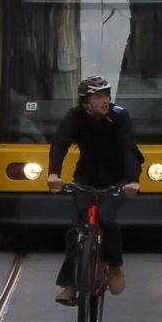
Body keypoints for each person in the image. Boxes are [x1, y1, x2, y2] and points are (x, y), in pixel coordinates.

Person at [46, 76, 142, 305]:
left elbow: (129, 149)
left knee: (107, 219)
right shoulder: (75, 116)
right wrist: (53, 174)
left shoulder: (119, 117)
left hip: (115, 179)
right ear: (85, 101)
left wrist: (132, 181)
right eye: (99, 97)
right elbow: (59, 143)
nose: (105, 101)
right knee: (76, 227)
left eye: (107, 96)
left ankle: (115, 268)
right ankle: (70, 285)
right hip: (85, 178)